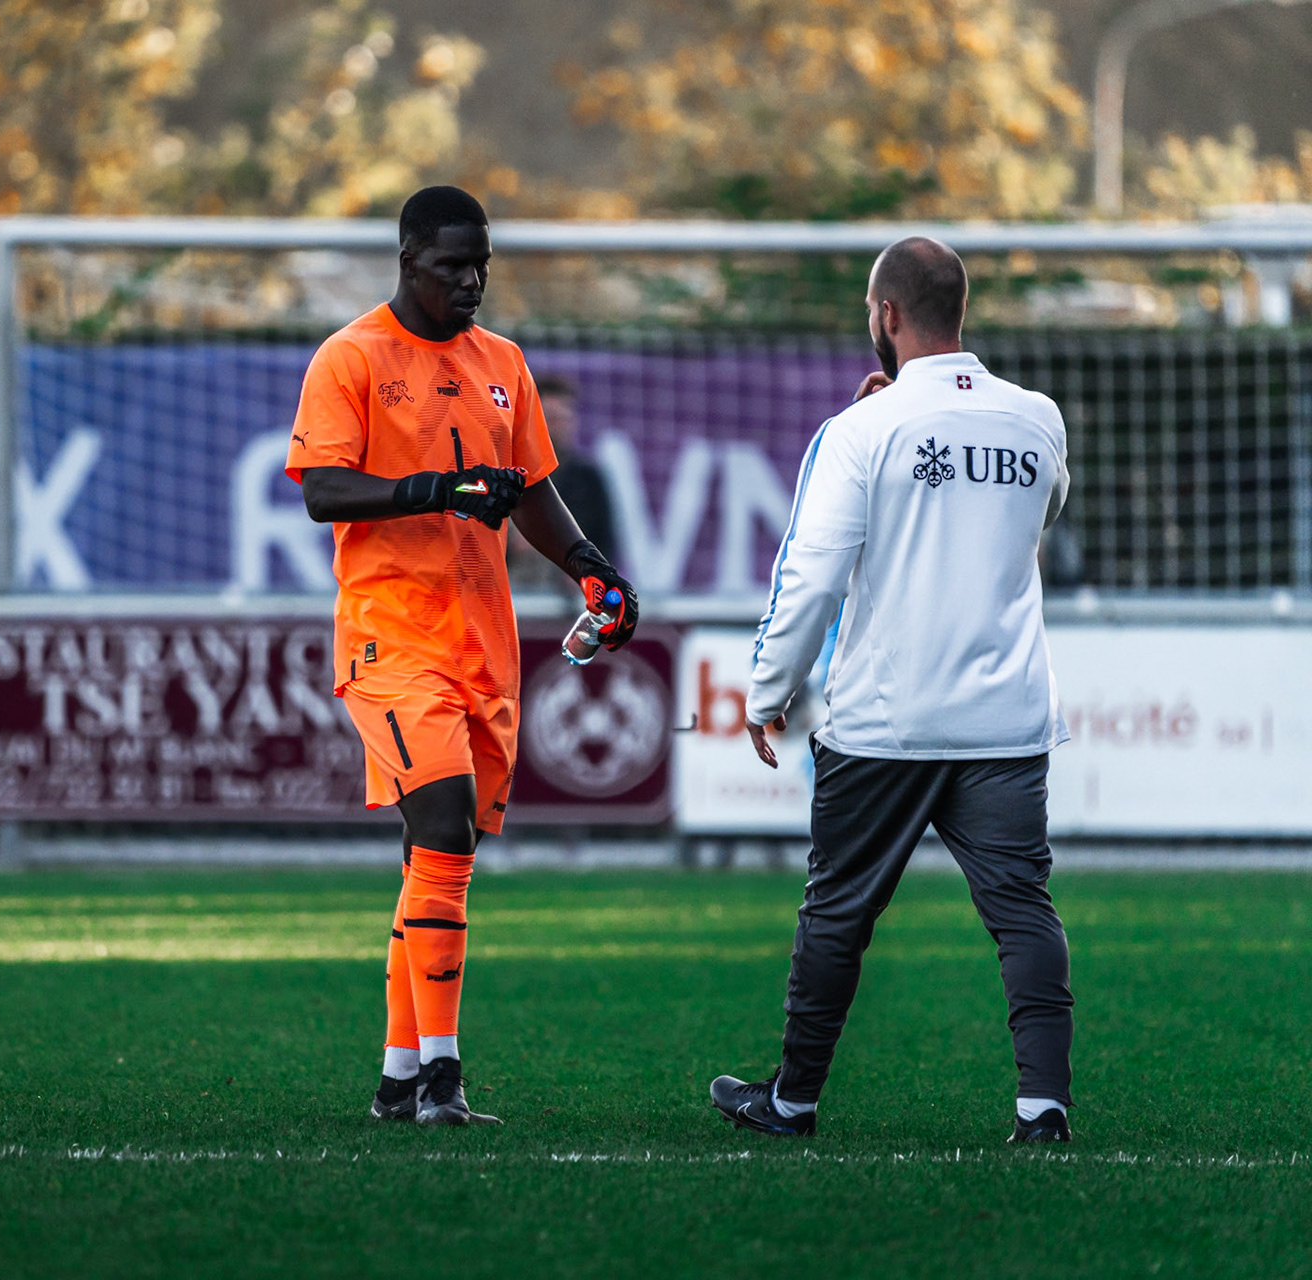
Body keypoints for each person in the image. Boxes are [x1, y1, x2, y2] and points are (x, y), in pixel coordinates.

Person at [708, 237, 1076, 1144]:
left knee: (837, 912)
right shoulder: (1038, 419)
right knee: (1022, 911)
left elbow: (810, 578)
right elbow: (1036, 519)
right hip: (1006, 717)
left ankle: (792, 1102)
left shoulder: (858, 431)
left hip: (886, 722)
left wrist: (767, 691)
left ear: (885, 316)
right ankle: (1044, 1109)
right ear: (962, 310)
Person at [288, 185, 638, 1126]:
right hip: (390, 638)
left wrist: (596, 573)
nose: (472, 281)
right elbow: (324, 490)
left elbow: (533, 493)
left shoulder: (503, 365)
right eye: (452, 265)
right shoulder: (351, 357)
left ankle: (398, 1080)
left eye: (481, 264)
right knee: (442, 830)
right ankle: (443, 1078)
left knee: (438, 856)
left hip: (484, 647)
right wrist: (438, 487)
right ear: (408, 261)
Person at [507, 374, 619, 591]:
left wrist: (588, 571)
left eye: (564, 418)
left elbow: (605, 537)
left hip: (570, 590)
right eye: (551, 418)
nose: (558, 426)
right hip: (516, 589)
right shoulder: (508, 472)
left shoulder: (588, 477)